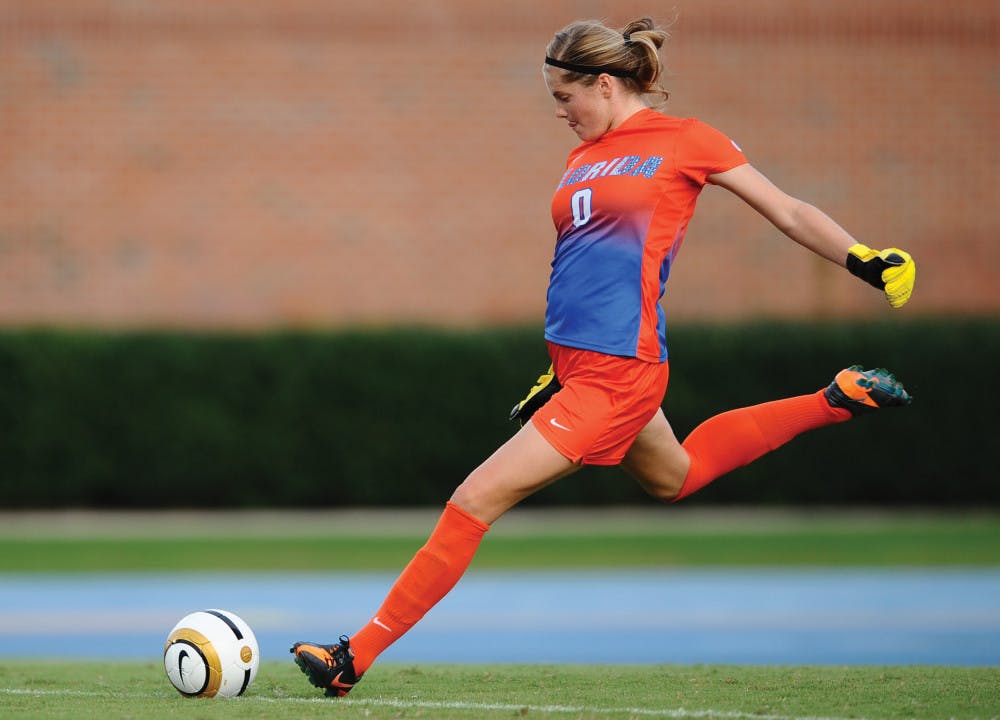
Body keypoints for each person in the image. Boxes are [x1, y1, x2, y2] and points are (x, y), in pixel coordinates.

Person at [291, 17, 916, 697]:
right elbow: (579, 269)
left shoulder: (687, 141)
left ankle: (354, 656)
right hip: (583, 368)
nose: (561, 113)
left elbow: (787, 210)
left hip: (620, 372)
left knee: (472, 501)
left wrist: (864, 258)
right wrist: (554, 372)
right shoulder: (582, 158)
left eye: (567, 98)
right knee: (674, 477)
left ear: (607, 83)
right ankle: (837, 399)